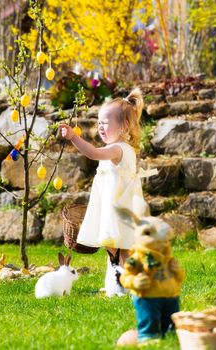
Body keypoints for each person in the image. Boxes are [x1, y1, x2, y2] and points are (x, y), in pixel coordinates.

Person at [59, 88, 150, 291]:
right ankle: (118, 283)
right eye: (98, 122)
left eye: (105, 123)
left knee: (116, 248)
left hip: (117, 210)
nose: (100, 127)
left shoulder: (117, 149)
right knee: (118, 248)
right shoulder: (122, 148)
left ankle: (123, 285)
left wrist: (74, 137)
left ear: (124, 126)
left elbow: (92, 153)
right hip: (120, 208)